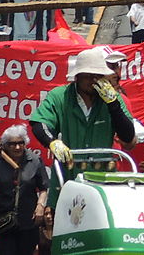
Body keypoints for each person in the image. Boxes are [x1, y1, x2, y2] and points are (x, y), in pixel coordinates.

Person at [30, 48, 136, 205]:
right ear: (77, 77)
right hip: (68, 178)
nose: (94, 81)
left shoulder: (113, 99)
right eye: (88, 76)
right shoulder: (60, 96)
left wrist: (113, 105)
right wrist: (52, 142)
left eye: (98, 76)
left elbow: (128, 135)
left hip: (103, 181)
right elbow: (39, 123)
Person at [0, 124, 48, 255]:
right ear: (5, 145)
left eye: (21, 143)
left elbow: (43, 187)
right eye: (13, 144)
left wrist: (40, 205)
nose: (18, 147)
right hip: (3, 221)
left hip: (28, 220)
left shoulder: (34, 160)